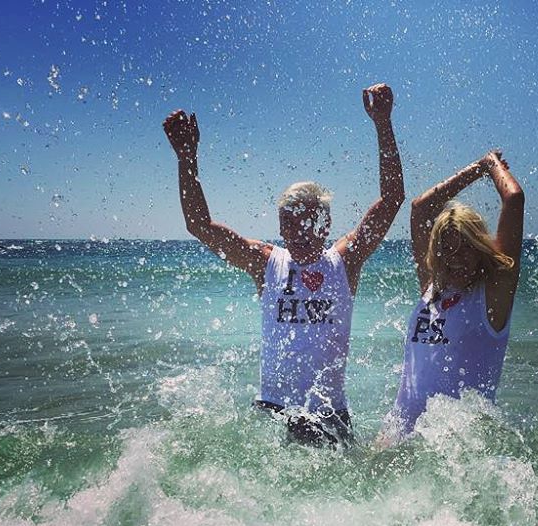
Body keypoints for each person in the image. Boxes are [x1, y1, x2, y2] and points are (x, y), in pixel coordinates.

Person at [163, 84, 404, 446]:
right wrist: (186, 159)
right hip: (272, 413)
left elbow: (391, 200)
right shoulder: (267, 263)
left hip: (328, 414)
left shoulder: (344, 261)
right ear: (278, 225)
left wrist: (383, 124)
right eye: (287, 223)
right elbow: (199, 226)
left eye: (305, 221)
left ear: (324, 223)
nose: (296, 232)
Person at [382, 149, 524, 440]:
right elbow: (421, 209)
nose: (455, 258)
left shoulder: (492, 295)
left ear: (480, 249)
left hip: (453, 451)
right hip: (397, 435)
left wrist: (491, 165)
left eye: (465, 249)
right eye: (446, 250)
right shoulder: (433, 287)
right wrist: (475, 169)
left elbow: (514, 199)